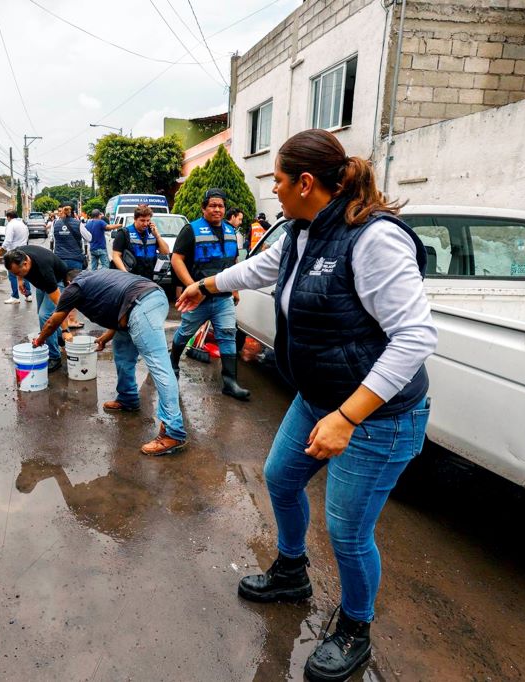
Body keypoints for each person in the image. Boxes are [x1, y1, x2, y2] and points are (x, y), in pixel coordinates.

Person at [176, 129, 436, 682]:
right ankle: (292, 572)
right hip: (319, 398)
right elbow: (260, 269)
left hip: (378, 417)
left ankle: (354, 629)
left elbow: (413, 338)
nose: (273, 188)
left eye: (277, 179)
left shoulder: (373, 239)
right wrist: (208, 284)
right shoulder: (301, 231)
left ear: (306, 183)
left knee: (346, 531)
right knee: (281, 478)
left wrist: (347, 417)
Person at [34, 268, 186, 456]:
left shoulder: (75, 287)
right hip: (145, 301)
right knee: (122, 353)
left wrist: (39, 341)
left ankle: (173, 432)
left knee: (160, 366)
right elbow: (120, 309)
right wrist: (105, 338)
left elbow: (53, 322)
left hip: (142, 306)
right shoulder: (97, 279)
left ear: (67, 283)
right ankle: (128, 398)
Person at [169, 188, 249, 401]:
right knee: (185, 333)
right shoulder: (191, 230)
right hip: (199, 299)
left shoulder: (232, 232)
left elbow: (233, 263)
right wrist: (192, 287)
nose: (217, 209)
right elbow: (176, 259)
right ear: (204, 208)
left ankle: (230, 382)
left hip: (223, 299)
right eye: (212, 205)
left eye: (220, 205)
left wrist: (235, 288)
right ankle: (173, 365)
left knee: (227, 334)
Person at [3, 245, 71, 372]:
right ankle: (58, 339)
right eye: (14, 273)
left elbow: (60, 306)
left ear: (26, 263)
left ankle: (54, 357)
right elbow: (16, 269)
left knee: (44, 316)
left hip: (57, 281)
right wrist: (20, 280)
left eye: (18, 272)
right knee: (42, 314)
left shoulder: (44, 270)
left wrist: (66, 329)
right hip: (41, 284)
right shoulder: (17, 254)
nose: (17, 274)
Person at [52, 204, 93, 329]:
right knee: (74, 292)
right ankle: (72, 320)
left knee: (60, 292)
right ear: (74, 213)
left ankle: (61, 321)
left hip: (59, 261)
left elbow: (52, 240)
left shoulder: (55, 223)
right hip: (75, 261)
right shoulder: (78, 223)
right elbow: (89, 238)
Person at [111, 204, 170, 279]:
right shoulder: (124, 233)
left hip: (149, 276)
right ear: (135, 219)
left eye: (148, 220)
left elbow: (165, 252)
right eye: (142, 220)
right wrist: (125, 274)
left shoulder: (152, 233)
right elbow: (116, 255)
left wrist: (157, 236)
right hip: (131, 276)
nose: (145, 224)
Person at [0, 209, 32, 304]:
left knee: (13, 275)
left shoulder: (11, 225)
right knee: (24, 273)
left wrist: (1, 250)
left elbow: (8, 240)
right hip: (23, 250)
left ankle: (15, 296)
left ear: (8, 217)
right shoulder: (22, 224)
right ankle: (28, 294)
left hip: (13, 253)